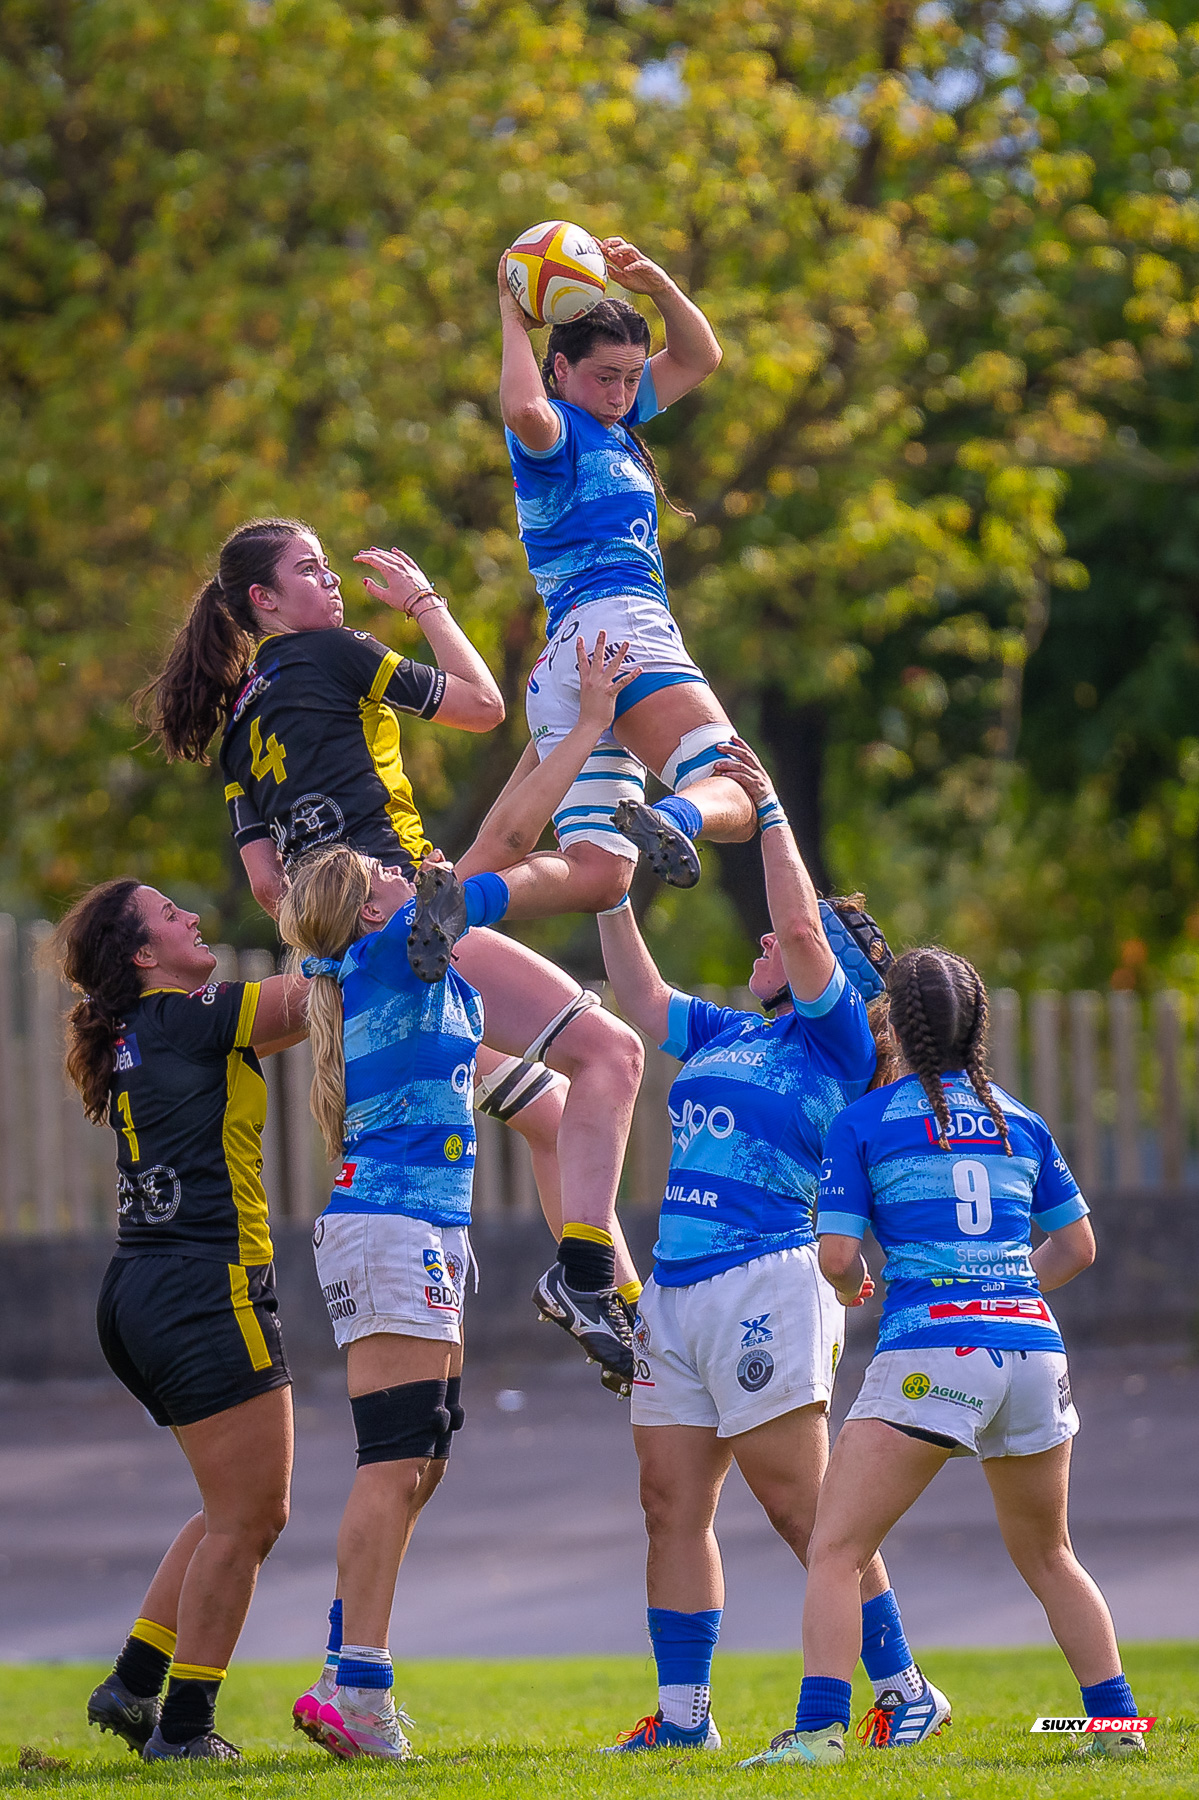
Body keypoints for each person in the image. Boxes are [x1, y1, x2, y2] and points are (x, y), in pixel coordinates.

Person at [140, 518, 646, 1386]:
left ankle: (620, 1310)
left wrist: (339, 921)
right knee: (612, 1053)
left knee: (555, 1111)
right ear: (264, 600)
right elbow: (481, 705)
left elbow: (268, 886)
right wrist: (424, 603)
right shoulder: (333, 652)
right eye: (310, 569)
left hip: (343, 967)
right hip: (407, 920)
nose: (331, 581)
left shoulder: (235, 727)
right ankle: (587, 1280)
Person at [274, 653, 637, 1760]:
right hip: (391, 1231)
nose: (409, 874)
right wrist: (591, 725)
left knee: (422, 1456)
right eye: (392, 876)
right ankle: (355, 1689)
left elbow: (496, 838)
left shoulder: (403, 963)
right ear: (371, 906)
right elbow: (510, 839)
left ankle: (349, 1675)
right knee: (395, 1460)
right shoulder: (397, 949)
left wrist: (550, 730)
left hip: (416, 1232)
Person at [596, 739, 946, 1755]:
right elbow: (641, 1002)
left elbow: (794, 922)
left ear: (825, 969)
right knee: (668, 1503)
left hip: (764, 1283)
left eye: (790, 940)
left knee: (804, 1511)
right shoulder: (733, 1033)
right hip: (675, 1290)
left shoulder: (835, 1043)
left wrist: (768, 809)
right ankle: (682, 1723)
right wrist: (609, 888)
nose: (766, 937)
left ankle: (905, 1691)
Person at [742, 947, 1145, 1767]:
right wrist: (1002, 1289)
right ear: (977, 1024)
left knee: (835, 1549)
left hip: (932, 1349)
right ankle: (1115, 1727)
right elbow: (1077, 1246)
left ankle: (817, 1736)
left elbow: (835, 1256)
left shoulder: (865, 1122)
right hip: (1031, 1349)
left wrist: (857, 1284)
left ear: (892, 1024)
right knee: (1050, 1554)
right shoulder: (1020, 1120)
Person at [51, 878, 308, 1761]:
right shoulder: (185, 1014)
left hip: (142, 1291)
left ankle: (134, 1685)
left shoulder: (146, 1026)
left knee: (228, 1508)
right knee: (254, 1517)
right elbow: (317, 993)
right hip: (203, 1290)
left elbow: (298, 1016)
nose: (192, 917)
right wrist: (369, 907)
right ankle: (187, 1730)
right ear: (142, 956)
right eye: (169, 915)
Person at [437, 237, 751, 948]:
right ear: (559, 368)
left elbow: (701, 357)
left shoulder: (614, 420)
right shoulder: (558, 435)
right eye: (605, 377)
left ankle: (456, 904)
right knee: (736, 785)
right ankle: (672, 818)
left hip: (568, 663)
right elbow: (523, 409)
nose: (620, 394)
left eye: (631, 378)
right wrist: (510, 313)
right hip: (622, 633)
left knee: (601, 874)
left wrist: (659, 287)